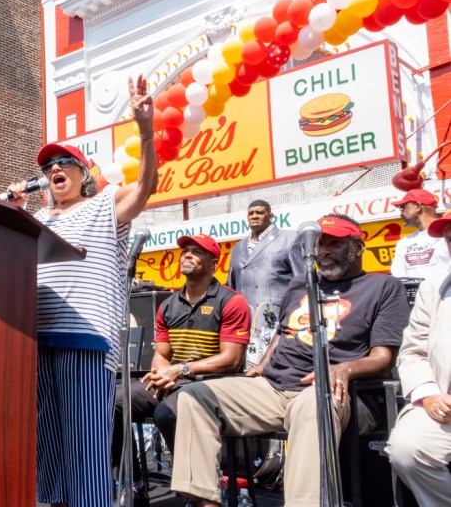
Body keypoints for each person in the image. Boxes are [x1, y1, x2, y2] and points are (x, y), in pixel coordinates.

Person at [170, 214, 410, 507]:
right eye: (319, 244)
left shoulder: (383, 286)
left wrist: (345, 369)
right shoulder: (300, 284)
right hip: (276, 386)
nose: (323, 250)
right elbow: (283, 333)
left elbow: (383, 358)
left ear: (358, 246)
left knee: (313, 406)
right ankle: (206, 501)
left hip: (338, 392)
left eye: (334, 243)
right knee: (194, 396)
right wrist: (263, 364)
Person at [5, 75, 158, 507]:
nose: (54, 170)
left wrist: (146, 130)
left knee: (85, 447)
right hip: (39, 340)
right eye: (48, 167)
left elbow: (145, 186)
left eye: (64, 163)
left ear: (83, 172)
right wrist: (11, 214)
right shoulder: (38, 219)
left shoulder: (104, 204)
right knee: (50, 453)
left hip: (86, 338)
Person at [112, 234, 250, 505]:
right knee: (112, 402)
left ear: (213, 263)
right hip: (176, 382)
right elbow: (161, 356)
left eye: (196, 252)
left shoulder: (232, 301)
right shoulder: (168, 305)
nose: (186, 255)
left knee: (167, 413)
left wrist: (179, 371)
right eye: (185, 250)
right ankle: (133, 483)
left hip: (213, 385)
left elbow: (231, 360)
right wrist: (163, 374)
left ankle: (197, 487)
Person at [387, 208, 451, 505]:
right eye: (449, 239)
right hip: (443, 404)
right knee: (407, 448)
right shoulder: (434, 285)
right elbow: (413, 350)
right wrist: (428, 395)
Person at [226, 199, 303, 367]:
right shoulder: (237, 248)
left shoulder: (289, 239)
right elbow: (230, 288)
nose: (254, 216)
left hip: (278, 324)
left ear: (271, 216)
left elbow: (302, 283)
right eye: (251, 213)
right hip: (245, 327)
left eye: (260, 212)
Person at [391, 188, 451, 279]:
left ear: (417, 207)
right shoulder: (403, 243)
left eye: (402, 208)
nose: (401, 214)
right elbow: (398, 277)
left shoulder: (446, 234)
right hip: (414, 289)